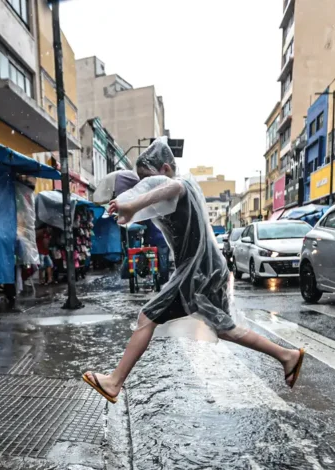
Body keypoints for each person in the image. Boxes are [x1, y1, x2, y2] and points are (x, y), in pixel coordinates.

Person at [82, 139, 305, 403]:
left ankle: (114, 382)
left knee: (147, 316)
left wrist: (132, 205)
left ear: (165, 168)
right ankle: (287, 356)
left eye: (149, 180)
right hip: (206, 269)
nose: (146, 186)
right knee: (224, 328)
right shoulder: (169, 194)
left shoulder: (182, 184)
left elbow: (173, 186)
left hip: (197, 270)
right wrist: (130, 206)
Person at [143, 220, 171, 285]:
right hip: (164, 239)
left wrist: (145, 241)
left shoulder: (149, 214)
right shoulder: (163, 213)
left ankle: (158, 279)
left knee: (154, 260)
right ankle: (164, 281)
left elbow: (146, 226)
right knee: (164, 261)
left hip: (153, 239)